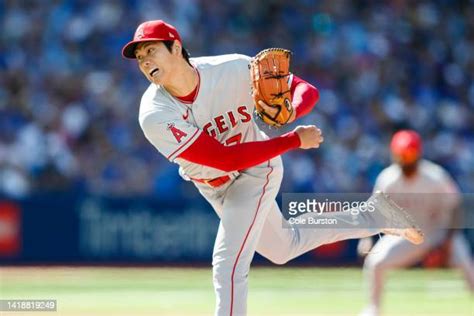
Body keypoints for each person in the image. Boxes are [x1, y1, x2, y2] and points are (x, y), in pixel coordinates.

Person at [122, 20, 423, 316]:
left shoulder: (232, 69)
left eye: (151, 50)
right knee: (283, 248)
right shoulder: (154, 113)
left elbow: (306, 90)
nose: (145, 61)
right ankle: (373, 215)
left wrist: (293, 109)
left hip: (256, 171)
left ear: (175, 47)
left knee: (228, 264)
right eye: (139, 58)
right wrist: (291, 141)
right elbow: (221, 158)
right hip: (215, 183)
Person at [358, 130, 474, 316]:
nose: (406, 160)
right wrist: (367, 238)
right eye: (402, 155)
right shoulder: (388, 179)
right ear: (394, 154)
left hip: (440, 232)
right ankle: (374, 309)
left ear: (418, 154)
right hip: (406, 236)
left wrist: (446, 243)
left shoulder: (435, 176)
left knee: (467, 266)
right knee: (375, 263)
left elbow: (455, 208)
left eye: (410, 154)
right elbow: (375, 211)